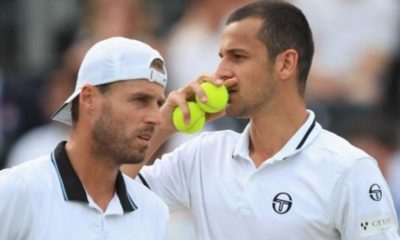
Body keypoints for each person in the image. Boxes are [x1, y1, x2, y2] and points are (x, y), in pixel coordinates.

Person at [126, 1, 399, 239]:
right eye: (221, 57)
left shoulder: (350, 169)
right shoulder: (201, 154)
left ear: (285, 64)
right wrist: (163, 125)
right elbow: (108, 198)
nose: (220, 73)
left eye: (238, 57)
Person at [0, 37, 169, 239]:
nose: (157, 118)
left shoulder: (154, 212)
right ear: (89, 98)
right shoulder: (16, 190)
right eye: (140, 100)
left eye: (159, 103)